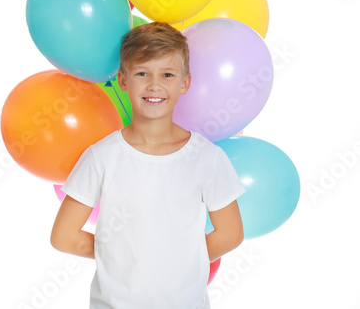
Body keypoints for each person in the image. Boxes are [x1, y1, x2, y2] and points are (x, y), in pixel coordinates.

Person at [50, 21, 246, 308]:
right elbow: (64, 236)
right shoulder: (101, 157)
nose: (154, 85)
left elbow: (230, 233)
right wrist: (116, 254)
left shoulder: (207, 158)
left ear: (184, 82)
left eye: (167, 74)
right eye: (142, 73)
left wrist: (177, 260)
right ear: (123, 80)